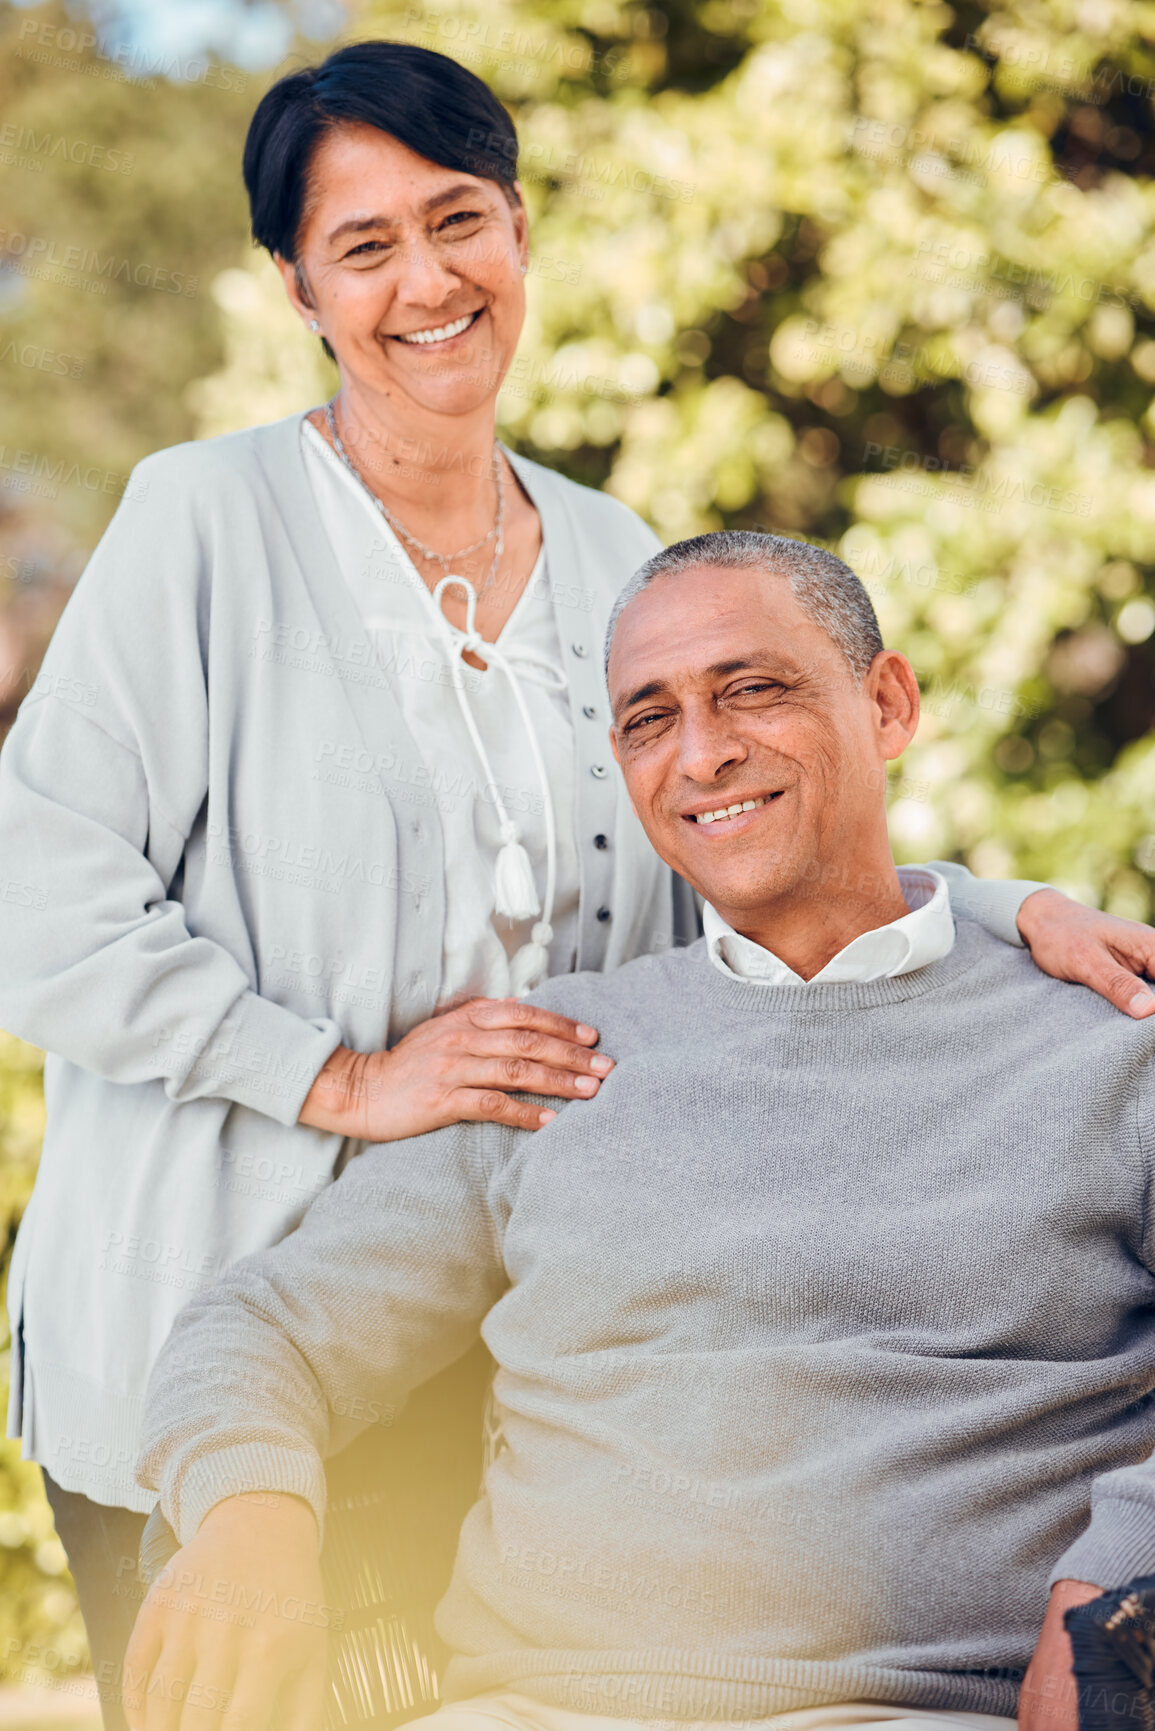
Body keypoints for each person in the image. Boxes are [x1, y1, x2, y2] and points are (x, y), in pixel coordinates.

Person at [0, 37, 1148, 1731]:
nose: (425, 279)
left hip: (522, 1317)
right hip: (233, 1289)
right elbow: (37, 895)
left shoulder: (615, 556)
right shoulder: (205, 524)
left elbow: (759, 829)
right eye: (363, 244)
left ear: (520, 233)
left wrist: (991, 917)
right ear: (295, 285)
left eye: (456, 219)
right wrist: (346, 1078)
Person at [131, 529, 1155, 1731]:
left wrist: (1122, 1570)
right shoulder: (553, 1056)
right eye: (647, 719)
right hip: (531, 1709)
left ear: (887, 703)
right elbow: (266, 1327)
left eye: (753, 690)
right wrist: (251, 1516)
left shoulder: (1110, 1041)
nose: (703, 754)